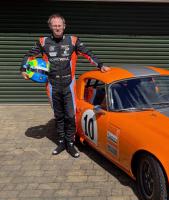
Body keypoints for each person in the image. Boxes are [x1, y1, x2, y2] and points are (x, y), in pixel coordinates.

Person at [20, 13, 110, 158]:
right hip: (52, 84)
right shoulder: (43, 42)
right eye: (54, 26)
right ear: (50, 27)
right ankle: (61, 142)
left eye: (59, 25)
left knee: (70, 115)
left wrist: (100, 65)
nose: (57, 28)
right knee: (59, 115)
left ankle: (71, 143)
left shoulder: (73, 41)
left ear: (64, 26)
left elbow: (88, 53)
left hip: (69, 84)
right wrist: (23, 69)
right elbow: (29, 55)